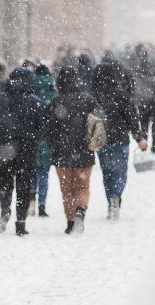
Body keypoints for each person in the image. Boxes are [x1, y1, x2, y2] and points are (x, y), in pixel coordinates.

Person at [0, 68, 46, 235]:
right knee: (24, 184)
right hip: (27, 149)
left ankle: (5, 211)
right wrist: (33, 135)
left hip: (4, 147)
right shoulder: (36, 102)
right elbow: (44, 127)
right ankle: (21, 221)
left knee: (5, 181)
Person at [92, 62, 148, 220]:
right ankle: (116, 195)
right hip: (120, 139)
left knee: (107, 173)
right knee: (120, 172)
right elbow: (132, 119)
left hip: (101, 139)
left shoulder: (95, 97)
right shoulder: (123, 96)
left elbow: (88, 120)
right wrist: (139, 138)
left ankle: (111, 200)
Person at [46, 67, 99, 234]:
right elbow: (99, 124)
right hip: (84, 152)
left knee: (66, 189)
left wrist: (53, 144)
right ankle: (80, 212)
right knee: (82, 186)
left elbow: (49, 130)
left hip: (62, 154)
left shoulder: (56, 103)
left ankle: (70, 222)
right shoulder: (88, 101)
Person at [28, 64, 57, 218]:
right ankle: (42, 204)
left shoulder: (29, 92)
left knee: (32, 171)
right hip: (47, 138)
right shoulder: (53, 93)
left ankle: (31, 198)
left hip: (31, 138)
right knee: (44, 174)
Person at [134, 44, 155, 156]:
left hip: (143, 106)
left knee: (144, 129)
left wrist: (138, 103)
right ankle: (154, 152)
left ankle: (144, 151)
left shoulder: (137, 75)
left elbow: (134, 92)